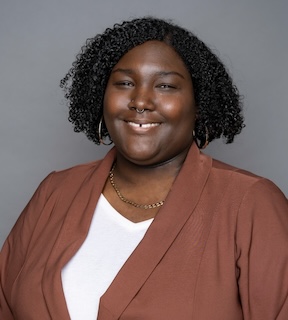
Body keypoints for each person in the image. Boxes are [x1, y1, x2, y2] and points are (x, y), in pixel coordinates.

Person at [0, 17, 287, 320]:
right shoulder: (55, 192)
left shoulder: (251, 204)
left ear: (198, 104)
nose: (140, 101)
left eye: (165, 86)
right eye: (125, 83)